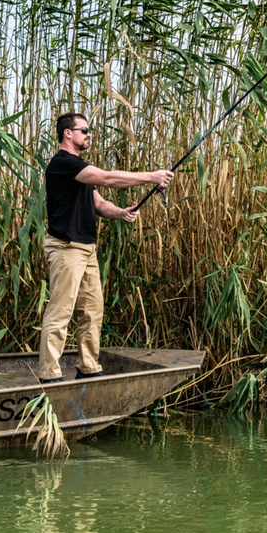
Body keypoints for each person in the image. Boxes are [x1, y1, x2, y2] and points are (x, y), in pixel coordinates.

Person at [38, 113, 173, 383]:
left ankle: (87, 366)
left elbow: (99, 203)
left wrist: (120, 212)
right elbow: (107, 179)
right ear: (68, 133)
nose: (89, 135)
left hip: (86, 249)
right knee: (61, 311)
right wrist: (151, 176)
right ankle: (48, 373)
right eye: (84, 130)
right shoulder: (63, 163)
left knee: (92, 310)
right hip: (66, 247)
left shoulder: (78, 168)